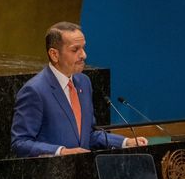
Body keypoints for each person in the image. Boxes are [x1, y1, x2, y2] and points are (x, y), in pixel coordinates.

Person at [10, 21, 148, 157]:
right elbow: (20, 143)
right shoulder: (35, 91)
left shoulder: (83, 82)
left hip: (83, 172)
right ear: (54, 54)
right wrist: (62, 152)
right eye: (75, 50)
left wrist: (125, 142)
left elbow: (89, 134)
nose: (83, 55)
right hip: (52, 175)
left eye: (83, 48)